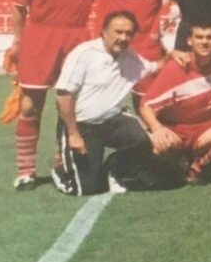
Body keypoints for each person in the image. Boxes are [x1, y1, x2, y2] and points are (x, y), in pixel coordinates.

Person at [6, 0, 106, 191]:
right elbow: (19, 6)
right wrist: (17, 42)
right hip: (40, 36)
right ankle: (26, 170)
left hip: (76, 36)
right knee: (30, 105)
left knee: (71, 106)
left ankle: (63, 164)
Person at [51, 11, 163, 196]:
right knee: (84, 189)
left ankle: (114, 168)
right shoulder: (84, 54)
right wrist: (73, 134)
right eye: (118, 32)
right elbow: (63, 95)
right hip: (81, 124)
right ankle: (61, 173)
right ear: (103, 31)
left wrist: (176, 55)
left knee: (144, 143)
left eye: (128, 33)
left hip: (112, 120)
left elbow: (155, 67)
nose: (123, 38)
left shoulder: (131, 58)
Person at [139, 23, 211, 185]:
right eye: (199, 37)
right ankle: (176, 163)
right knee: (157, 148)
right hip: (176, 130)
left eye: (209, 37)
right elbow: (146, 105)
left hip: (206, 129)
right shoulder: (176, 67)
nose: (204, 42)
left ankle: (198, 168)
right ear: (189, 41)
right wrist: (157, 128)